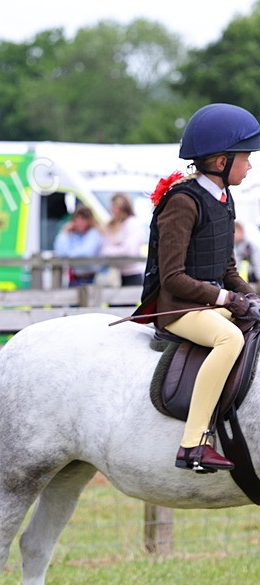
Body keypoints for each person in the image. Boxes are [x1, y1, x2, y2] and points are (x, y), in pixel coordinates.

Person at [135, 102, 260, 472]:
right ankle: (193, 443)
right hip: (177, 309)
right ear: (221, 161)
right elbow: (173, 277)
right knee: (230, 340)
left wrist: (249, 295)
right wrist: (227, 297)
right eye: (246, 158)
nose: (250, 165)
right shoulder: (183, 202)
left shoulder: (223, 198)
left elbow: (226, 267)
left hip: (210, 305)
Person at [102, 194, 145, 286]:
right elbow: (105, 244)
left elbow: (129, 250)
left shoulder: (132, 223)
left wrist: (110, 250)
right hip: (117, 273)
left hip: (132, 273)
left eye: (115, 206)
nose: (112, 210)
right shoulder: (113, 224)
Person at [53, 206, 103, 286]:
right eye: (77, 220)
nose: (79, 223)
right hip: (74, 279)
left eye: (82, 220)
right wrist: (64, 232)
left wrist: (69, 254)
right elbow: (60, 252)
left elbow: (86, 253)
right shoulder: (72, 234)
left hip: (89, 279)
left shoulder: (94, 234)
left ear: (89, 221)